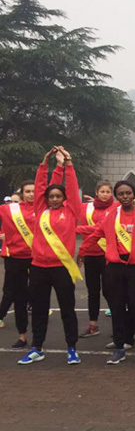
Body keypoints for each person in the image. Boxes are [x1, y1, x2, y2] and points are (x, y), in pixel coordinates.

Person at [81, 180, 135, 364]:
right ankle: (120, 346)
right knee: (116, 306)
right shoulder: (112, 215)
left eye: (128, 193)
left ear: (134, 194)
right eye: (121, 194)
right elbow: (97, 232)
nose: (125, 197)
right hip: (115, 266)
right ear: (117, 196)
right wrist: (82, 250)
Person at [19, 146, 82, 365]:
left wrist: (68, 164)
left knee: (67, 310)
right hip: (38, 268)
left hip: (62, 268)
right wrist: (45, 163)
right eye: (51, 196)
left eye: (58, 196)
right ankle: (37, 348)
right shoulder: (40, 210)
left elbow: (71, 188)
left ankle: (72, 348)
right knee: (39, 310)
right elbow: (39, 187)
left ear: (64, 198)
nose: (54, 199)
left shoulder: (71, 211)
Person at [76, 179, 115, 338]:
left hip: (107, 256)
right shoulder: (86, 207)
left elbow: (100, 228)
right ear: (96, 193)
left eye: (108, 192)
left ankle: (119, 326)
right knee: (92, 291)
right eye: (102, 192)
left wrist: (77, 229)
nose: (105, 195)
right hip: (90, 255)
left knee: (110, 291)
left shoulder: (116, 208)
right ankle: (93, 325)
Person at [0, 179, 36, 348]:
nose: (31, 194)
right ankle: (22, 336)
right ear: (22, 193)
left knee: (38, 299)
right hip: (15, 259)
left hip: (37, 259)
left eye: (34, 191)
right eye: (27, 191)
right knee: (19, 299)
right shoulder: (10, 210)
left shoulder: (44, 210)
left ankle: (38, 338)